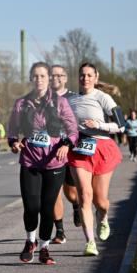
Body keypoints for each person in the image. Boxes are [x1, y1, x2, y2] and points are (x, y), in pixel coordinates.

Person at [8, 63, 78, 265]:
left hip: (54, 162)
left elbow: (72, 130)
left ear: (49, 79)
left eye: (43, 76)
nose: (39, 79)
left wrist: (66, 144)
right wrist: (14, 142)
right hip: (30, 161)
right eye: (35, 76)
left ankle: (45, 247)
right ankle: (31, 241)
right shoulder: (21, 103)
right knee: (31, 206)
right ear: (31, 78)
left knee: (47, 208)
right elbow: (13, 128)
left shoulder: (60, 102)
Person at [67, 62, 125, 257]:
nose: (85, 78)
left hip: (102, 147)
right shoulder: (71, 100)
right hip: (80, 149)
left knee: (100, 201)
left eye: (89, 75)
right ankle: (90, 242)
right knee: (84, 194)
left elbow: (121, 125)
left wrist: (99, 124)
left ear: (96, 77)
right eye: (82, 75)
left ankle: (103, 216)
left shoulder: (103, 97)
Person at [50, 64, 80, 244]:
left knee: (71, 192)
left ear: (66, 78)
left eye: (60, 75)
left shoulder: (75, 98)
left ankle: (76, 206)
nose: (56, 78)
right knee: (54, 192)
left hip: (70, 149)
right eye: (53, 75)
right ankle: (60, 231)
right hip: (50, 151)